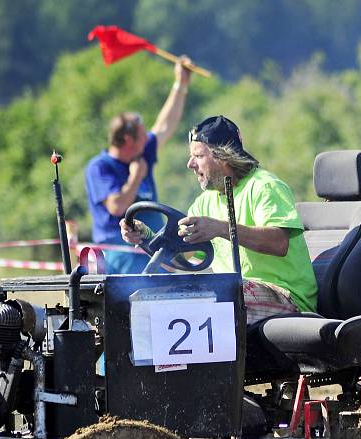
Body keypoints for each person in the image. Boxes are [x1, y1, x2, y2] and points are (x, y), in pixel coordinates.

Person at [120, 115, 318, 323]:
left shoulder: (264, 186)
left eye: (198, 156)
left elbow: (279, 242)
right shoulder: (204, 202)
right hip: (231, 292)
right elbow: (184, 262)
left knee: (216, 295)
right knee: (160, 298)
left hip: (286, 297)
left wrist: (221, 228)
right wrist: (146, 237)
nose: (190, 164)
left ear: (223, 156)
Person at [85, 57, 192, 274]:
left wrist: (180, 84)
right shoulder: (100, 167)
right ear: (127, 140)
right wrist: (136, 177)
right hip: (121, 252)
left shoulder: (142, 151)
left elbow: (165, 125)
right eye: (143, 136)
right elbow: (117, 207)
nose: (148, 140)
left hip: (152, 245)